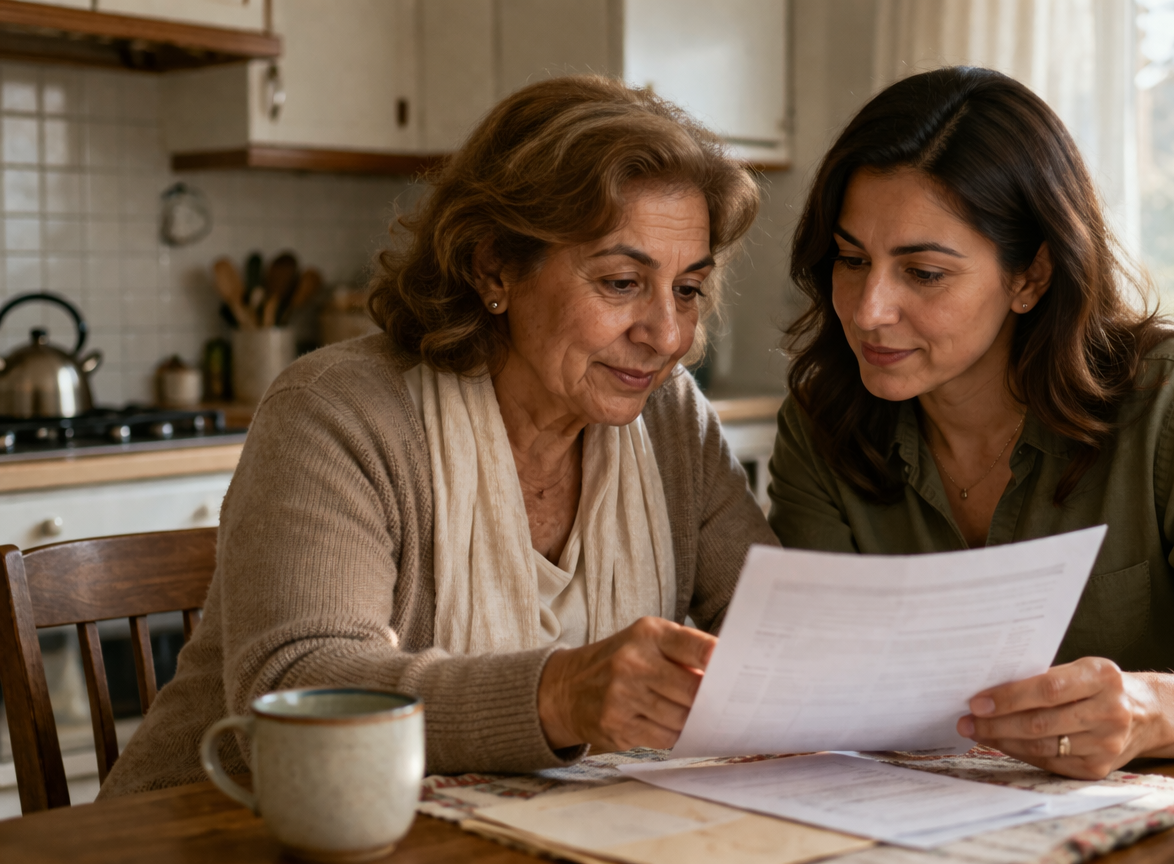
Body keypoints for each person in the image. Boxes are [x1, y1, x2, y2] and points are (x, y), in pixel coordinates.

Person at [101, 76, 770, 796]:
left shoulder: (670, 420)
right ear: (495, 267)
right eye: (620, 283)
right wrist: (560, 694)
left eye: (687, 290)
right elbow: (298, 686)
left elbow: (776, 632)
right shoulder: (340, 410)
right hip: (221, 826)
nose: (667, 335)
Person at [768, 67, 1174, 780]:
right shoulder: (822, 418)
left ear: (1031, 276)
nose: (869, 310)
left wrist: (1149, 708)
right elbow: (811, 669)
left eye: (924, 273)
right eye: (850, 259)